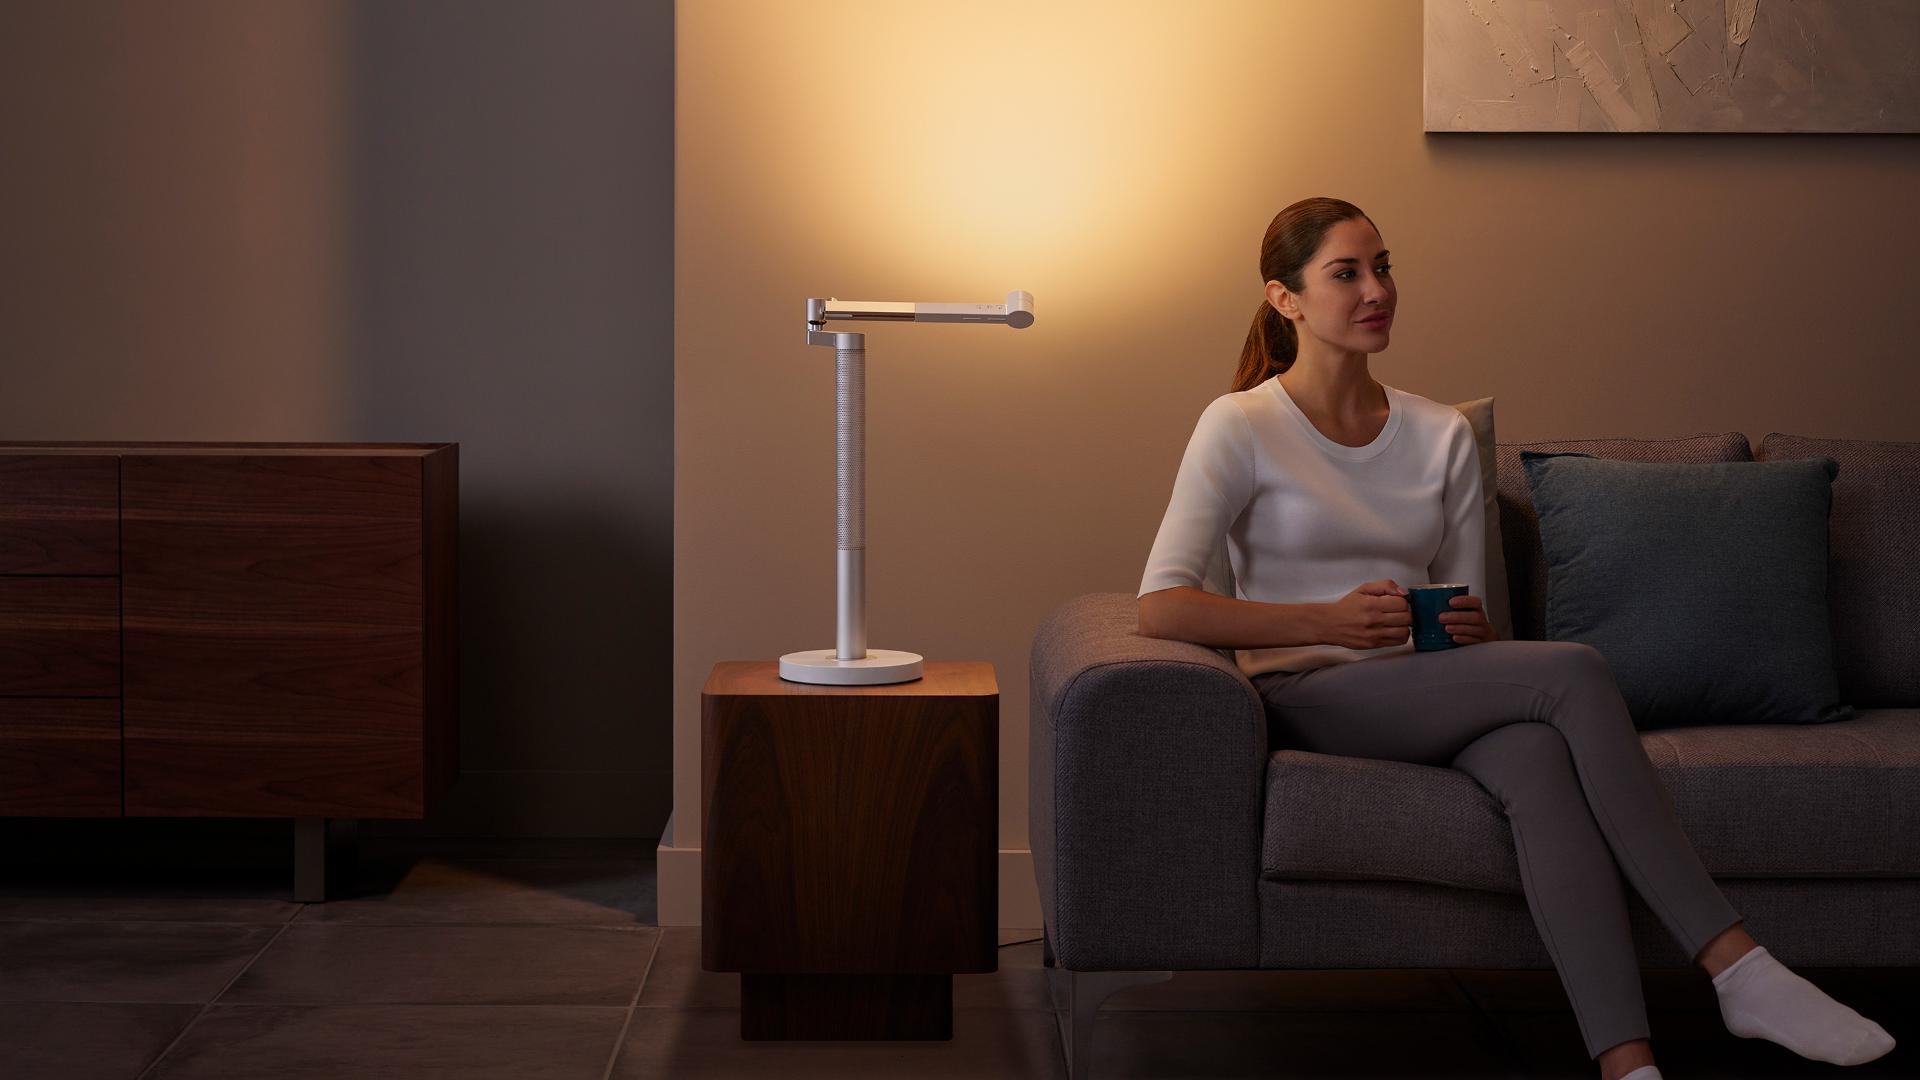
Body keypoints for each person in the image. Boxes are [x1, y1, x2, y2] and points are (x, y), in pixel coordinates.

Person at [1134, 196, 1895, 1080]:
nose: (1377, 289)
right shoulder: (1240, 425)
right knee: (1573, 672)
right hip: (1311, 692)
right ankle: (1739, 966)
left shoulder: (1441, 434)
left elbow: (1464, 617)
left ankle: (1629, 1066)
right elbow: (1163, 606)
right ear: (1285, 298)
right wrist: (1323, 620)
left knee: (1537, 760)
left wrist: (1475, 629)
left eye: (1384, 267)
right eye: (1346, 273)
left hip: (1429, 687)